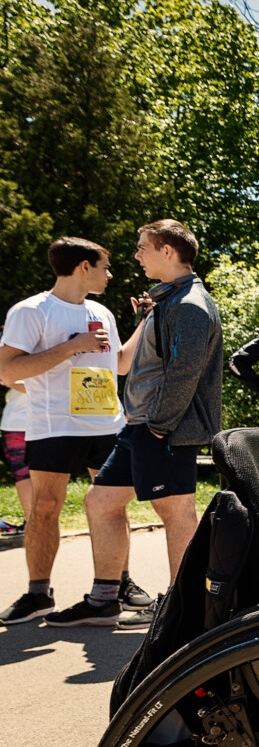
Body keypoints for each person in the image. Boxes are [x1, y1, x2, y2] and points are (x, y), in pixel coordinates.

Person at [55, 220, 222, 629]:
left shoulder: (190, 305)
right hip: (141, 426)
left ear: (168, 251)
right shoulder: (165, 301)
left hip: (163, 429)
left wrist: (160, 427)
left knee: (177, 512)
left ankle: (183, 607)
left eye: (143, 247)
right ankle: (104, 599)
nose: (136, 254)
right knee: (100, 501)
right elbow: (138, 363)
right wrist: (145, 320)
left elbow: (185, 372)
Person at [0, 238, 148, 625]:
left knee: (111, 506)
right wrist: (72, 347)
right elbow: (8, 371)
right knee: (45, 507)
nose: (110, 274)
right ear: (84, 266)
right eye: (105, 266)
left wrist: (145, 322)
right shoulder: (31, 310)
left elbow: (118, 365)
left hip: (107, 424)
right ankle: (37, 595)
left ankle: (118, 586)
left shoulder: (102, 311)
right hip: (54, 425)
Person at [1, 378, 30, 531]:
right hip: (20, 422)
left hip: (20, 422)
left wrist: (7, 380)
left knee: (25, 475)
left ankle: (35, 525)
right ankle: (35, 525)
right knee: (25, 475)